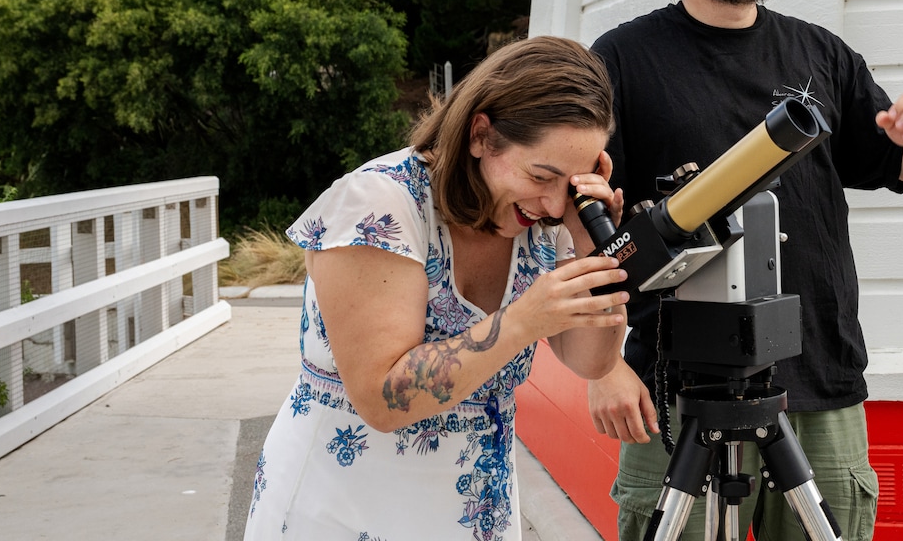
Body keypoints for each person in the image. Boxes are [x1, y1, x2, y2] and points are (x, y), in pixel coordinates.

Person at [587, 0, 903, 541]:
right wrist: (601, 366)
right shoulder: (623, 59)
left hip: (818, 374)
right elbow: (587, 227)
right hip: (675, 386)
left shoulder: (822, 55)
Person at [243, 35, 632, 541]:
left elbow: (591, 361)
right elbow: (383, 398)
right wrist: (520, 323)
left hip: (471, 512)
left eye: (574, 183)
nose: (556, 204)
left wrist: (592, 252)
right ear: (480, 136)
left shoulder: (548, 227)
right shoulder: (380, 204)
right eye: (542, 174)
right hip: (345, 509)